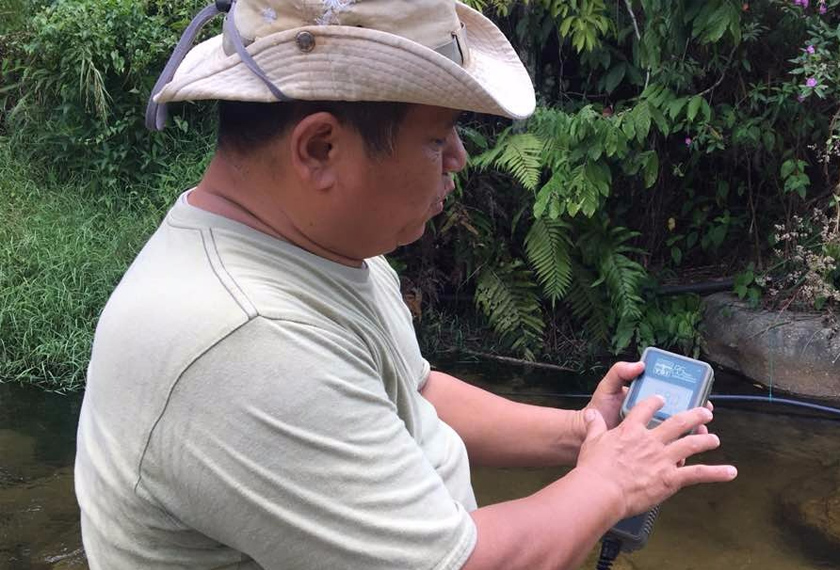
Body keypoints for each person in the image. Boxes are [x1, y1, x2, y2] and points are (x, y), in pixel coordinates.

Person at [74, 1, 737, 569]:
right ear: (320, 149)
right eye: (437, 137)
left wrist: (584, 432)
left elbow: (413, 393)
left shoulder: (321, 248)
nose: (460, 158)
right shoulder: (246, 341)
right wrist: (610, 484)